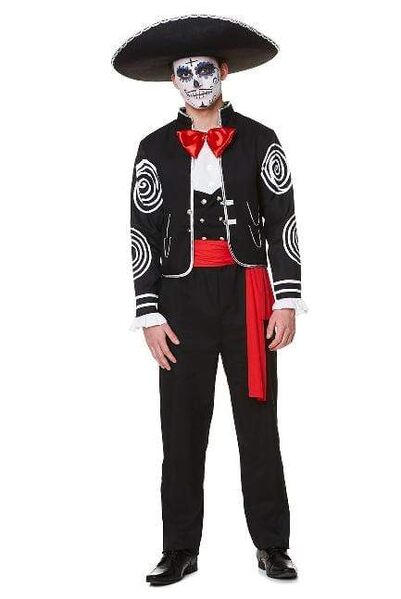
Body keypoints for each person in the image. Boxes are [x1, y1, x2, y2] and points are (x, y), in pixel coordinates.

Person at [112, 15, 307, 585]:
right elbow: (142, 231)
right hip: (179, 300)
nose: (196, 81)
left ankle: (272, 545)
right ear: (173, 81)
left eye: (205, 70)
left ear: (223, 71)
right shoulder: (153, 149)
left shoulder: (262, 139)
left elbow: (283, 220)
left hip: (248, 293)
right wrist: (149, 311)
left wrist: (286, 299)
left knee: (258, 423)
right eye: (184, 73)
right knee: (181, 427)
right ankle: (179, 549)